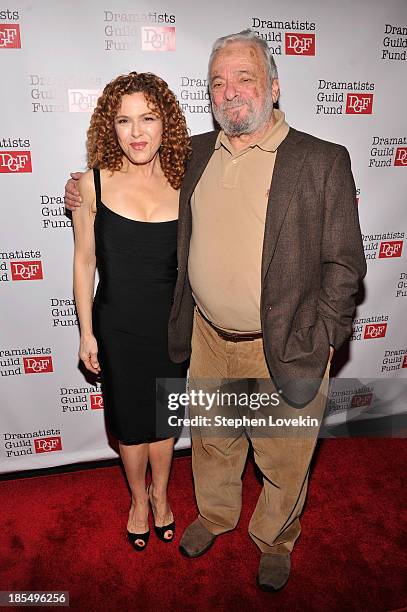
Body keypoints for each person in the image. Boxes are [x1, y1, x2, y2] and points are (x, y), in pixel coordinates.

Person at [66, 30, 366, 590]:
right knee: (213, 441)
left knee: (282, 456)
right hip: (205, 334)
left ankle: (275, 538)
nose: (230, 92)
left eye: (244, 78)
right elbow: (126, 188)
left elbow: (346, 264)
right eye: (217, 83)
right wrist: (79, 190)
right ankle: (217, 515)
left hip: (285, 340)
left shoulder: (322, 160)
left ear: (274, 86)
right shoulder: (196, 154)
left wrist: (324, 333)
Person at [71, 72, 190, 551]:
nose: (137, 132)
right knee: (129, 424)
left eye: (148, 117)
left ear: (166, 124)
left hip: (172, 327)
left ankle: (161, 496)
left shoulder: (189, 182)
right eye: (124, 120)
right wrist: (85, 333)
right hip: (117, 326)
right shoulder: (92, 184)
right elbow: (83, 262)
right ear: (110, 127)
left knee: (164, 422)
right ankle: (137, 502)